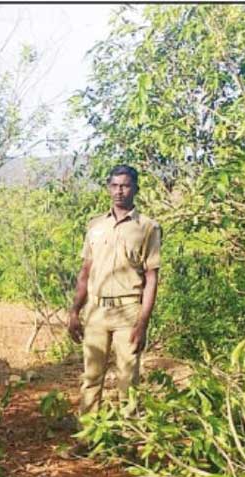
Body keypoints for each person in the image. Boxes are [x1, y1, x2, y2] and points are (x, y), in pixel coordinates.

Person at [68, 165, 161, 423]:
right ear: (109, 188)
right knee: (91, 377)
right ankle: (87, 436)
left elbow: (152, 278)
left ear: (135, 189)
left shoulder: (148, 228)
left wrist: (142, 323)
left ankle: (127, 439)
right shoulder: (95, 226)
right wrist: (75, 311)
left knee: (127, 379)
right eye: (115, 185)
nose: (120, 191)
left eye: (125, 185)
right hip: (96, 311)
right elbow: (85, 271)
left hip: (128, 312)